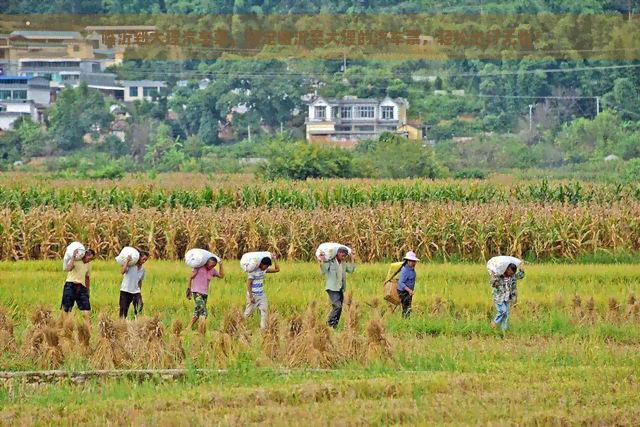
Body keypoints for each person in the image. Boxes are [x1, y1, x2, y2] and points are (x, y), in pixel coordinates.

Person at [319, 247, 355, 329]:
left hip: (340, 288)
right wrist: (321, 261)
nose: (343, 255)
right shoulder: (330, 262)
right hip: (332, 288)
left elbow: (351, 270)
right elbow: (323, 271)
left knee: (340, 307)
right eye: (341, 252)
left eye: (344, 253)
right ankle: (330, 323)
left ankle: (334, 325)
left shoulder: (343, 263)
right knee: (337, 306)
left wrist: (352, 260)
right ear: (337, 253)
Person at [244, 254, 280, 331]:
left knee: (264, 312)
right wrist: (251, 296)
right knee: (248, 313)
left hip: (261, 295)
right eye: (266, 266)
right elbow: (249, 284)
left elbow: (277, 269)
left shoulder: (264, 270)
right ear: (261, 264)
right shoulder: (253, 271)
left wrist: (275, 259)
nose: (266, 268)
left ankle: (263, 329)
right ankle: (241, 325)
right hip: (253, 295)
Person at [187, 257, 224, 330]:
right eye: (211, 265)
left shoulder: (212, 271)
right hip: (197, 293)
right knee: (204, 312)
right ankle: (202, 329)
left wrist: (221, 265)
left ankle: (188, 327)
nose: (211, 267)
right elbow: (190, 277)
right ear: (207, 262)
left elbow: (221, 276)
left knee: (197, 312)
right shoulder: (199, 268)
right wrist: (189, 290)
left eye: (213, 266)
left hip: (205, 294)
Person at [61, 248, 96, 320]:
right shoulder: (76, 260)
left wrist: (87, 290)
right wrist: (73, 257)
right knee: (66, 307)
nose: (89, 260)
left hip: (81, 286)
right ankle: (64, 324)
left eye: (91, 259)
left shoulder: (88, 264)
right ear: (85, 255)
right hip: (70, 284)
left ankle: (87, 326)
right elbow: (69, 268)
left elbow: (87, 277)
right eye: (89, 258)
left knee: (87, 308)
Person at [490, 262, 525, 331]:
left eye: (513, 274)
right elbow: (493, 283)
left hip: (507, 297)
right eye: (510, 273)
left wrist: (521, 269)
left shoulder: (512, 277)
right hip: (499, 298)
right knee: (502, 311)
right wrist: (494, 276)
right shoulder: (499, 276)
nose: (511, 275)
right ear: (507, 270)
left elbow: (521, 275)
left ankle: (503, 330)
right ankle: (495, 322)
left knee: (506, 315)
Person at [119, 250, 149, 319]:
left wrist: (139, 290)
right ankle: (121, 324)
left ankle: (137, 321)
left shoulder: (142, 269)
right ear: (139, 258)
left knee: (139, 306)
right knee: (123, 310)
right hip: (125, 290)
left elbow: (140, 281)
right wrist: (127, 261)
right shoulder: (131, 266)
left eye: (146, 260)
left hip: (136, 291)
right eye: (143, 259)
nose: (144, 261)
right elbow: (122, 271)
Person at [397, 251, 419, 318]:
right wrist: (409, 290)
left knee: (408, 307)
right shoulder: (405, 270)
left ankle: (406, 319)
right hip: (403, 292)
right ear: (408, 261)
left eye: (414, 261)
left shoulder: (411, 270)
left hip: (409, 292)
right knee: (406, 307)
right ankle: (405, 320)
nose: (413, 263)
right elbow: (401, 283)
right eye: (412, 261)